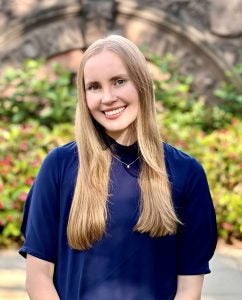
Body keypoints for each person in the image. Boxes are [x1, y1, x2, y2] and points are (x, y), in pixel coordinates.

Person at [19, 35, 217, 300]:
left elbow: (189, 287)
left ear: (142, 84)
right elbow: (38, 277)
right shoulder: (59, 166)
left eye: (119, 81)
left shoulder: (185, 172)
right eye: (94, 87)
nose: (107, 98)